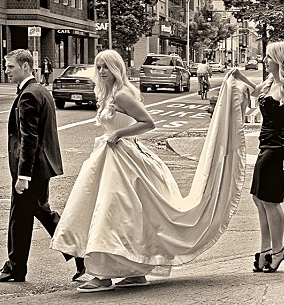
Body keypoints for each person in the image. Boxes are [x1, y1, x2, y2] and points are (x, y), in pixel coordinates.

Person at [51, 50, 250, 292]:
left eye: (106, 67)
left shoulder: (122, 95)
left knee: (113, 215)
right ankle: (131, 271)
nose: (102, 71)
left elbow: (148, 123)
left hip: (124, 160)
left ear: (116, 69)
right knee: (119, 217)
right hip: (111, 159)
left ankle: (105, 275)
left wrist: (118, 134)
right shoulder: (108, 93)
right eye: (99, 66)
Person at [0, 49, 75, 283]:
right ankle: (16, 268)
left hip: (32, 169)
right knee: (27, 217)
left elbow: (29, 138)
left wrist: (23, 175)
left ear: (25, 67)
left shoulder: (29, 95)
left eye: (10, 66)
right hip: (41, 167)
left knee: (33, 215)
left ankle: (80, 253)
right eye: (5, 66)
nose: (6, 70)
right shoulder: (40, 90)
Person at [230, 40, 284, 273]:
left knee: (271, 200)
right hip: (265, 144)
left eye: (268, 57)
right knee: (259, 198)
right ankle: (265, 250)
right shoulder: (270, 82)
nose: (264, 61)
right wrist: (240, 77)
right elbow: (254, 92)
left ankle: (277, 250)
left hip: (278, 147)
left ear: (279, 60)